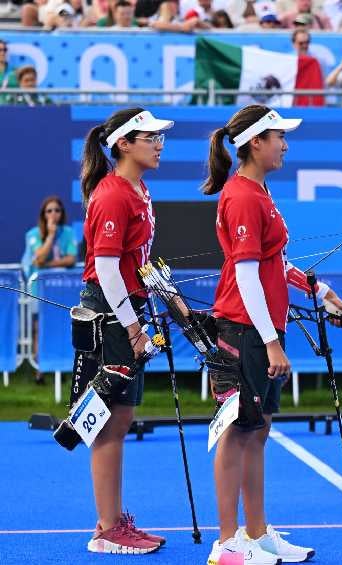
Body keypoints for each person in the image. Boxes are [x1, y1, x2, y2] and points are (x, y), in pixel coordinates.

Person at [202, 104, 342, 565]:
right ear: (255, 143)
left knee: (257, 431)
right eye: (278, 137)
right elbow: (246, 275)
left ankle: (257, 531)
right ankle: (227, 542)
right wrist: (269, 341)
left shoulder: (260, 191)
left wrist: (322, 291)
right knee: (238, 431)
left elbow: (273, 263)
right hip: (244, 329)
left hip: (261, 329)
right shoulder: (243, 196)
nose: (285, 145)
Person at [75, 107, 174, 555]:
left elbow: (134, 264)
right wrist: (134, 327)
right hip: (113, 315)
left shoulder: (138, 188)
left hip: (128, 309)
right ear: (123, 144)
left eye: (159, 136)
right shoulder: (113, 193)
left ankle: (113, 520)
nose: (158, 143)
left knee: (121, 419)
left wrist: (159, 293)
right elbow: (107, 269)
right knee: (111, 424)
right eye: (149, 136)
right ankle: (107, 527)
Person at [22, 196, 78, 385]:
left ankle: (62, 366)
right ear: (43, 214)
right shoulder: (32, 234)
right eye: (49, 211)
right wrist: (51, 235)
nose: (53, 214)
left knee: (64, 328)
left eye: (57, 210)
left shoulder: (69, 232)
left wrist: (49, 265)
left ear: (62, 213)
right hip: (40, 290)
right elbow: (38, 259)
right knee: (39, 328)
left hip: (62, 290)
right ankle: (40, 369)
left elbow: (71, 258)